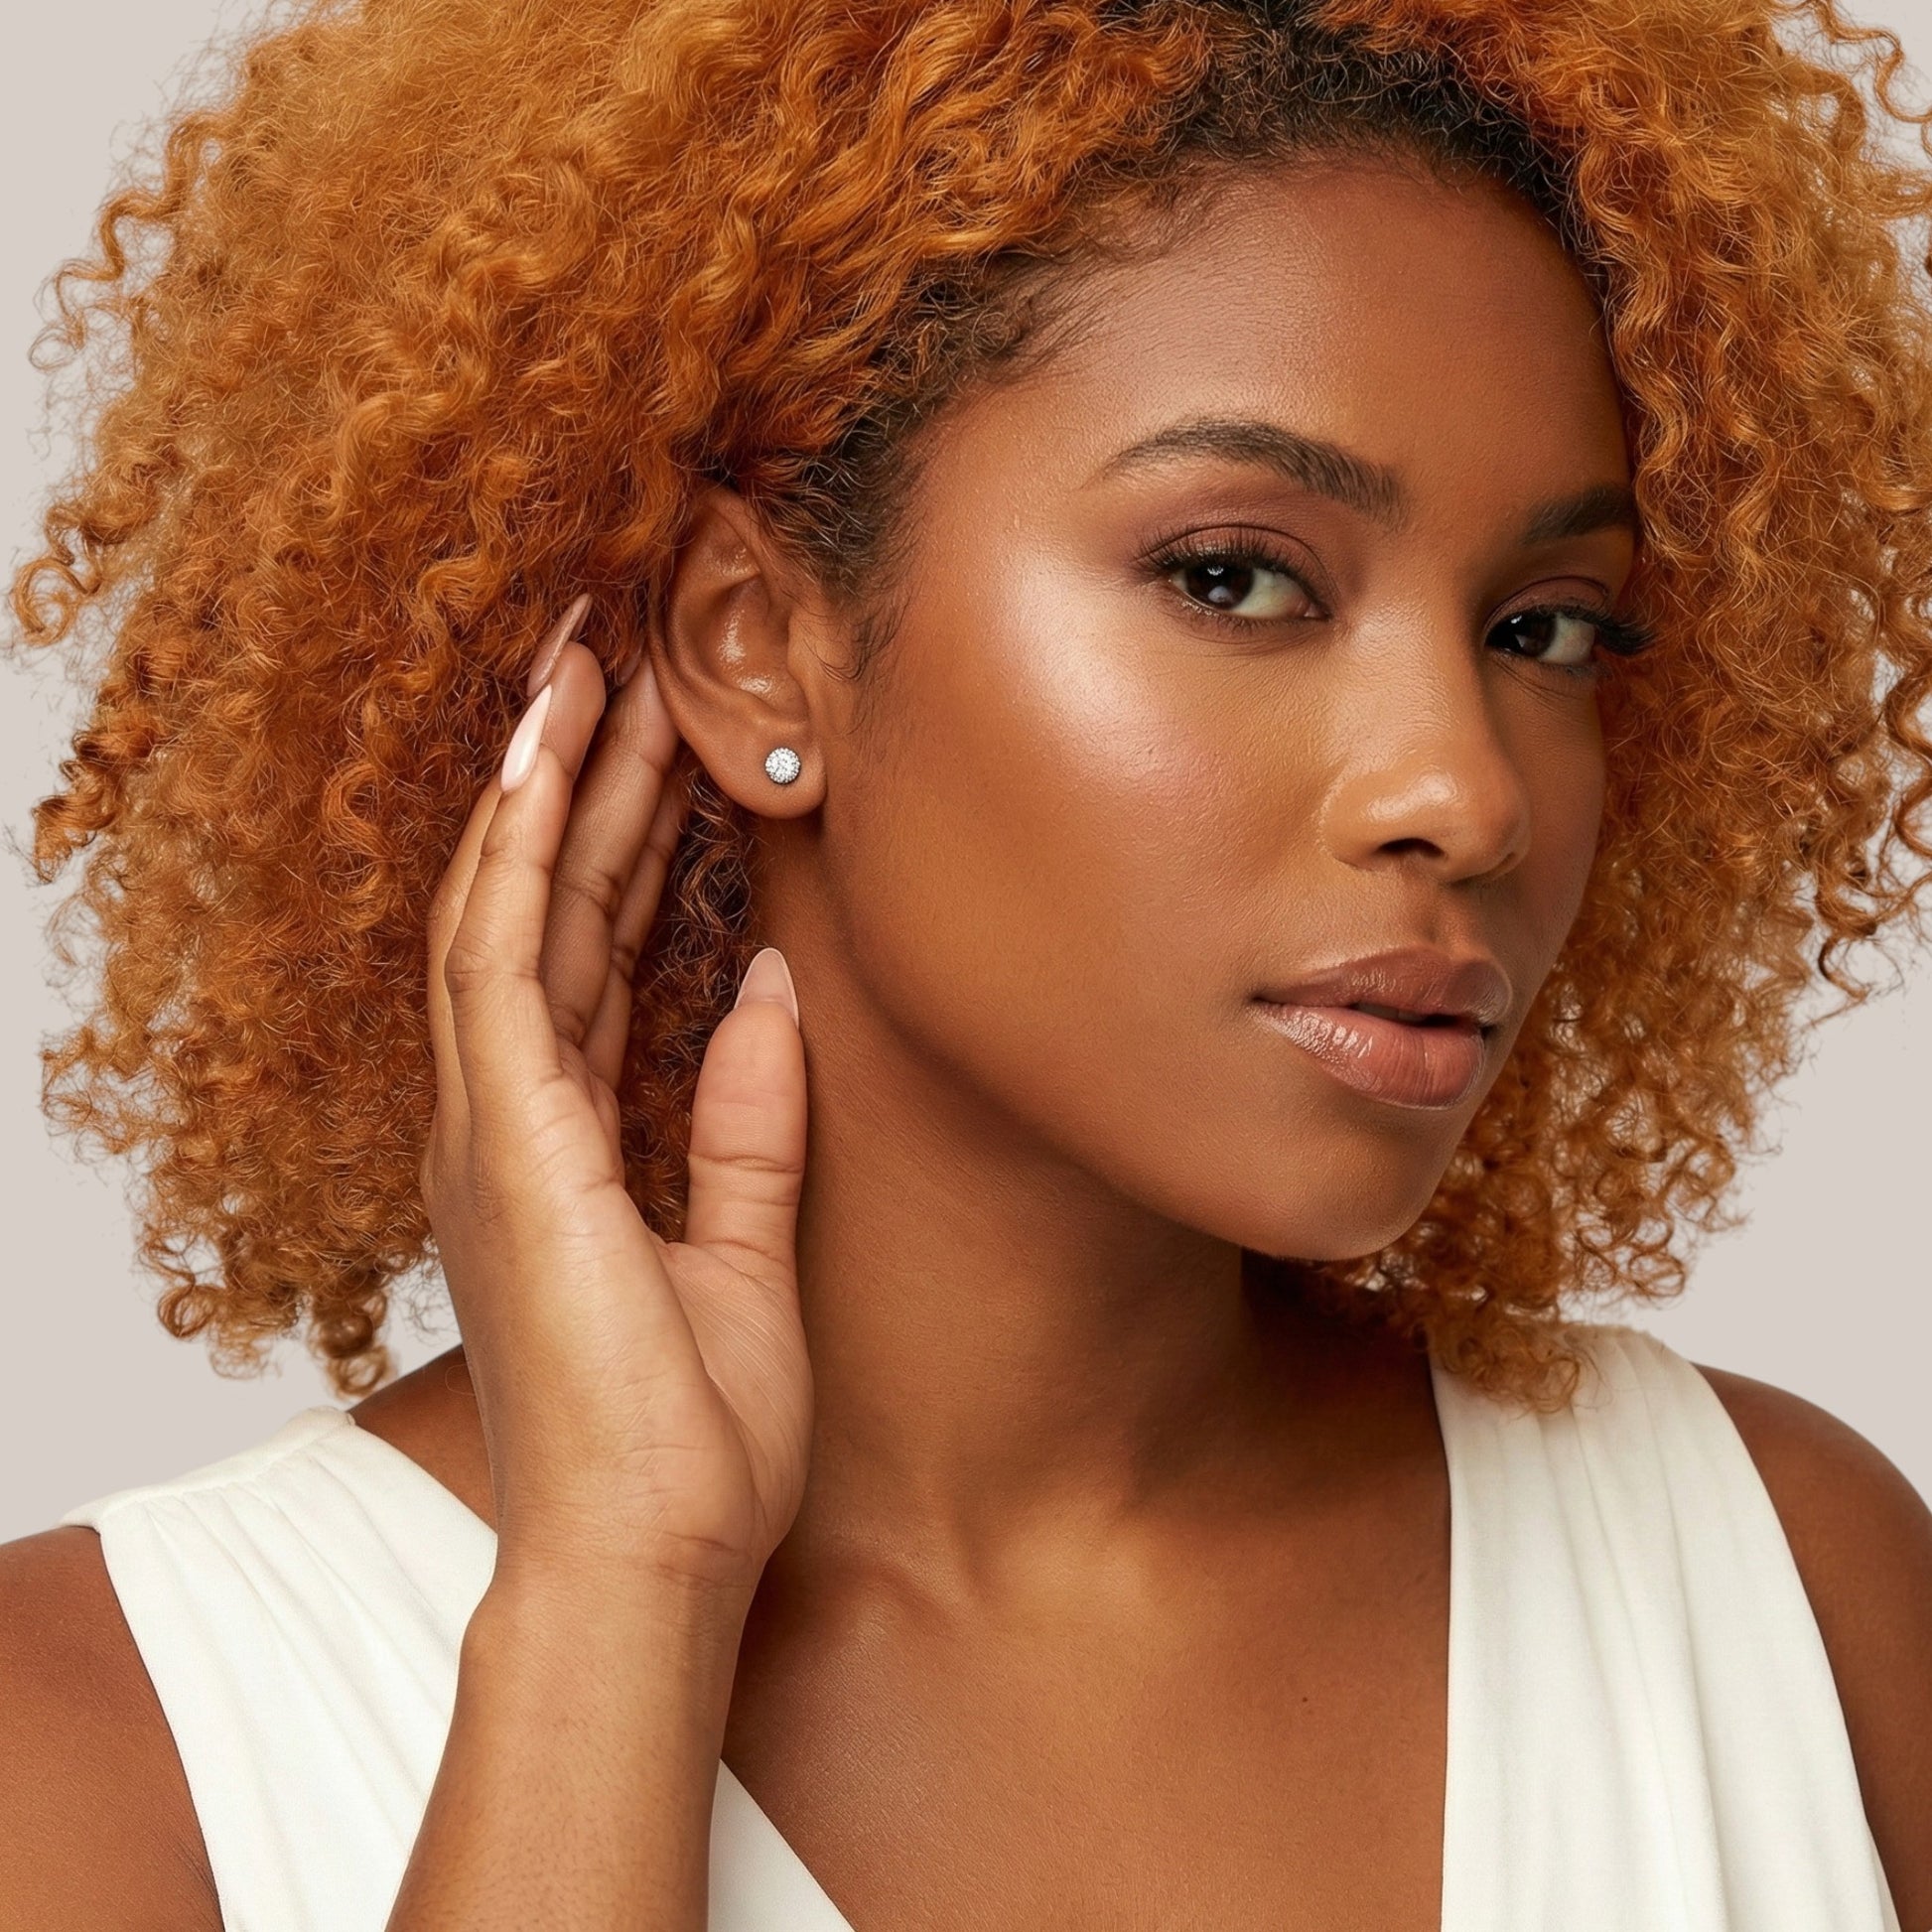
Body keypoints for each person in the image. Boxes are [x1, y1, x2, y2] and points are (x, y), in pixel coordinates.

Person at [3, 0, 1931, 1924]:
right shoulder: (104, 1744)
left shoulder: (1794, 1586)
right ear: (758, 644)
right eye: (1235, 577)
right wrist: (618, 1593)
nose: (1462, 791)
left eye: (1548, 627)